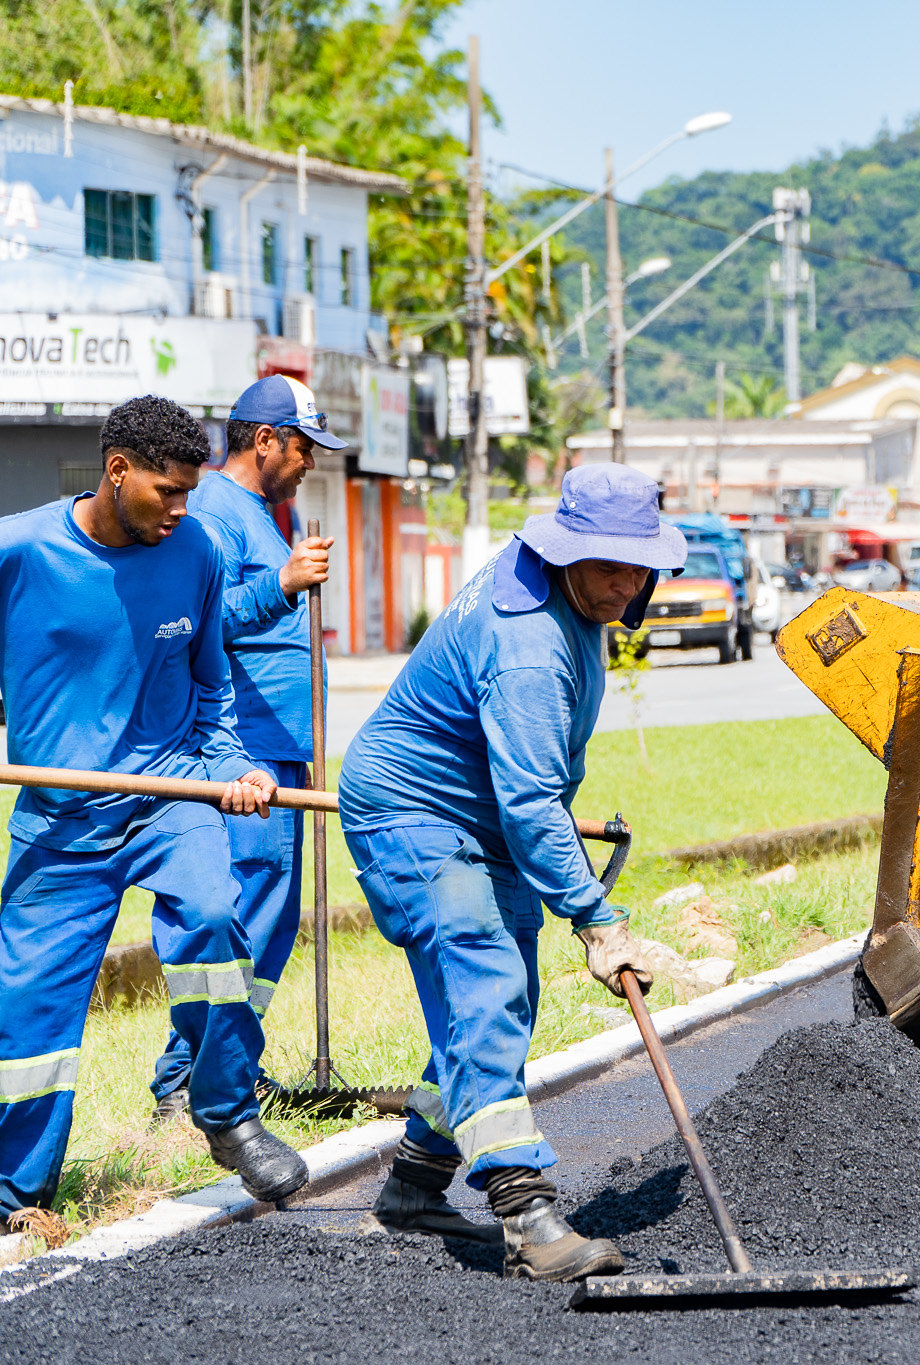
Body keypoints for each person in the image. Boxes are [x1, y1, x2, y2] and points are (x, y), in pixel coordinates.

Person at [339, 462, 680, 1279]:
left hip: (485, 812)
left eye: (641, 565)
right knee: (485, 981)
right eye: (610, 563)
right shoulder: (526, 642)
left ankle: (416, 1184)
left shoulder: (576, 593)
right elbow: (531, 800)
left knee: (499, 1003)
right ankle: (525, 1213)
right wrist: (597, 916)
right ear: (565, 550)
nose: (627, 582)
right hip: (415, 815)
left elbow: (530, 788)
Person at [0, 396, 306, 1213]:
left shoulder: (195, 549)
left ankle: (226, 1112)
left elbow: (211, 691)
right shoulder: (19, 550)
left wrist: (236, 765)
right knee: (27, 1015)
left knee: (213, 915)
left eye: (188, 492)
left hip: (171, 794)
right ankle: (15, 1195)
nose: (181, 509)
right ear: (117, 470)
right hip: (61, 822)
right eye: (167, 492)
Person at [150, 375, 342, 1121]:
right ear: (264, 440)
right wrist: (286, 583)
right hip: (244, 749)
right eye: (302, 446)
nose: (309, 463)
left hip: (282, 747)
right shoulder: (215, 514)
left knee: (273, 916)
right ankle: (186, 1074)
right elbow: (203, 621)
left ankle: (227, 1066)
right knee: (247, 906)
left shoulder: (262, 513)